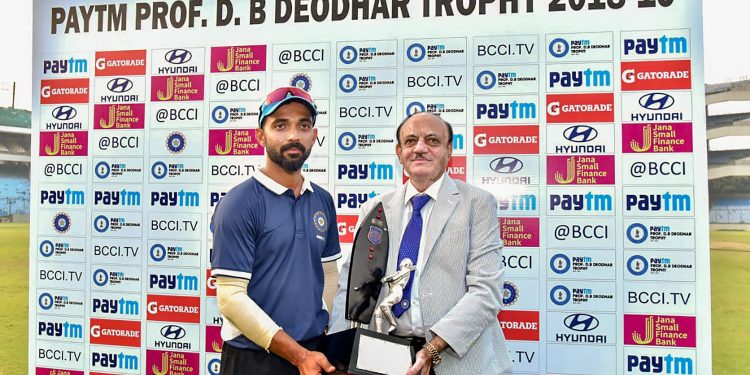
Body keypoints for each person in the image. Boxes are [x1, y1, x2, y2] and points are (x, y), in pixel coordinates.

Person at [330, 112, 512, 374]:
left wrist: (433, 349)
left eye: (432, 140)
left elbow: (486, 292)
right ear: (399, 151)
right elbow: (350, 286)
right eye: (411, 141)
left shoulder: (477, 204)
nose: (420, 148)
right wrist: (340, 353)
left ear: (449, 150)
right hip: (384, 360)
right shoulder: (375, 208)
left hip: (455, 360)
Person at [211, 87, 341, 375]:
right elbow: (230, 297)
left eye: (303, 125)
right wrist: (298, 355)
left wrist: (323, 336)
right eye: (280, 125)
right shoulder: (239, 203)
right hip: (253, 358)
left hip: (312, 352)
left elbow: (330, 274)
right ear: (261, 135)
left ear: (314, 136)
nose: (294, 135)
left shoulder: (322, 200)